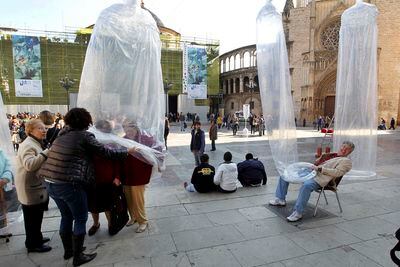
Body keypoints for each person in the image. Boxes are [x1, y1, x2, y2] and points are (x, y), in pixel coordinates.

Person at [38, 108, 133, 266]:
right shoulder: (84, 136)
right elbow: (105, 152)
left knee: (66, 216)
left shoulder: (62, 134)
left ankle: (68, 251)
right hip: (69, 184)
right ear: (86, 121)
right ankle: (78, 256)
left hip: (50, 183)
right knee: (80, 218)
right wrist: (126, 151)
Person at [269, 141, 355, 222]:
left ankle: (298, 212)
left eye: (347, 149)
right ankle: (280, 199)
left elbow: (337, 172)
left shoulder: (346, 162)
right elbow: (316, 163)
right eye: (343, 147)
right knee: (285, 175)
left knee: (306, 186)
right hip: (310, 172)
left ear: (349, 152)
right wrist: (318, 160)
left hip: (320, 178)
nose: (343, 149)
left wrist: (321, 168)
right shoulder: (332, 154)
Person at [15, 119, 51, 253]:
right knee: (32, 218)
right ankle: (33, 244)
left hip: (34, 186)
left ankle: (37, 238)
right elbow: (29, 165)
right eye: (40, 128)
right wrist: (46, 153)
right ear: (31, 131)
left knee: (36, 216)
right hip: (29, 188)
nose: (44, 131)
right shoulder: (28, 145)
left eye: (45, 128)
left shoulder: (34, 142)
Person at [87, 120, 122, 237]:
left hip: (109, 179)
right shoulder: (91, 142)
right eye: (102, 128)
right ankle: (96, 224)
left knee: (109, 205)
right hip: (93, 179)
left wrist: (117, 177)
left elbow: (117, 161)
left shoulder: (112, 142)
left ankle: (110, 224)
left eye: (106, 129)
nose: (104, 131)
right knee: (94, 206)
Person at [121, 123, 154, 233]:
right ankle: (134, 217)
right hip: (126, 175)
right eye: (126, 130)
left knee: (138, 200)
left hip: (139, 175)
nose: (128, 133)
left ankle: (143, 221)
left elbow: (156, 153)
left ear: (136, 128)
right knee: (129, 199)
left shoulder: (145, 139)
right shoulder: (123, 140)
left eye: (131, 130)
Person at [0, 149, 13, 238]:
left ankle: (3, 230)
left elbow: (8, 166)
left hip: (0, 185)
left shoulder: (1, 152)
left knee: (1, 207)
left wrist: (5, 178)